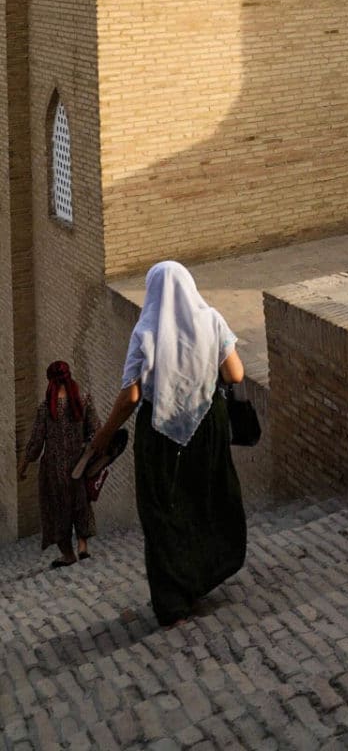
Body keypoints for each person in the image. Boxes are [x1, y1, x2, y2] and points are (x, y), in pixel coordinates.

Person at [80, 260, 247, 627]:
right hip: (208, 427)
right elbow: (235, 373)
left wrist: (105, 434)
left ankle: (174, 602)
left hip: (160, 437)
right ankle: (205, 575)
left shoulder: (146, 332)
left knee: (163, 513)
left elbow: (130, 396)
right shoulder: (211, 319)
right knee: (205, 499)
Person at [17, 361, 100, 567]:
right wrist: (89, 453)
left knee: (56, 510)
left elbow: (36, 442)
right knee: (81, 504)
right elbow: (96, 430)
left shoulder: (46, 408)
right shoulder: (84, 400)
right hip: (78, 465)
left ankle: (68, 554)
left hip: (53, 470)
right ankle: (83, 547)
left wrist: (23, 466)